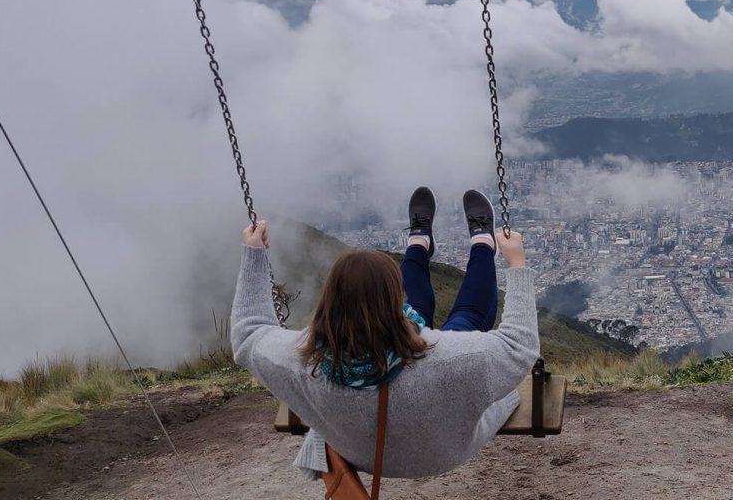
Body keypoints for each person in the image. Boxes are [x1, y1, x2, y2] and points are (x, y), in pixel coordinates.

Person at [230, 187, 539, 478]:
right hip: (442, 453)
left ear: (329, 303)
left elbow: (248, 334)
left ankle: (419, 242)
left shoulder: (304, 364)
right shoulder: (449, 359)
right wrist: (517, 262)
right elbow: (519, 346)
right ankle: (483, 244)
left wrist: (253, 253)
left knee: (420, 310)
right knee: (466, 316)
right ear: (394, 301)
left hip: (361, 453)